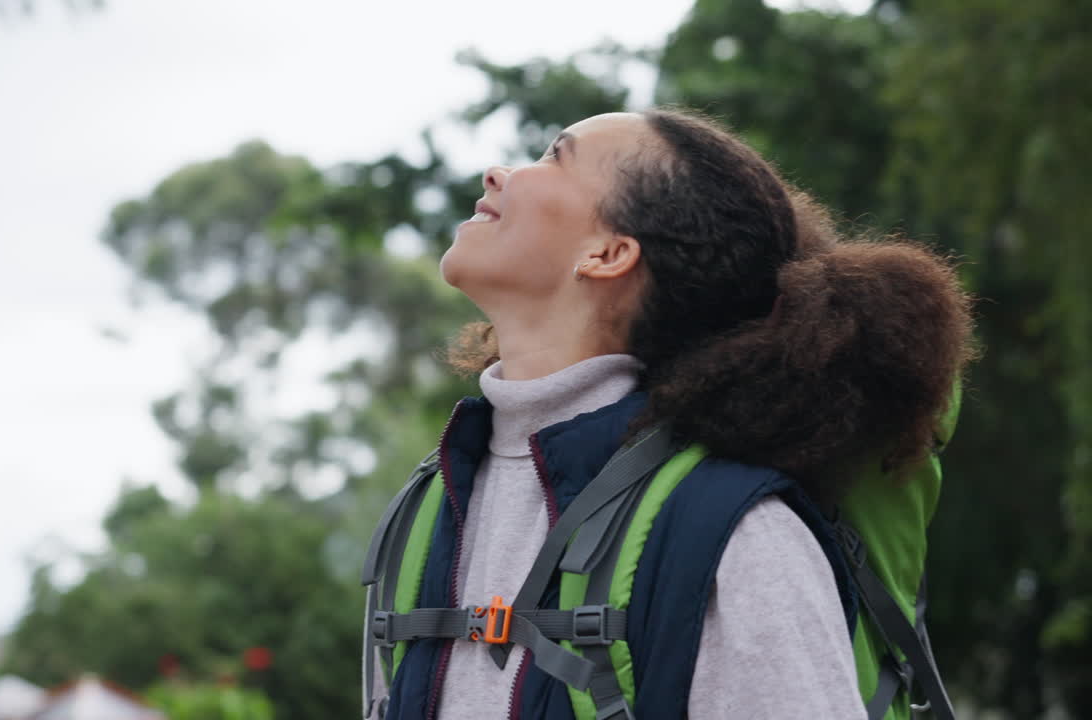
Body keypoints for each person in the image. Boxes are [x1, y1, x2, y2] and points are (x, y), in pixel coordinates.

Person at [366, 108, 975, 719]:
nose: (498, 173)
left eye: (556, 156)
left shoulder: (734, 532)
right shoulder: (429, 504)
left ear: (609, 252)